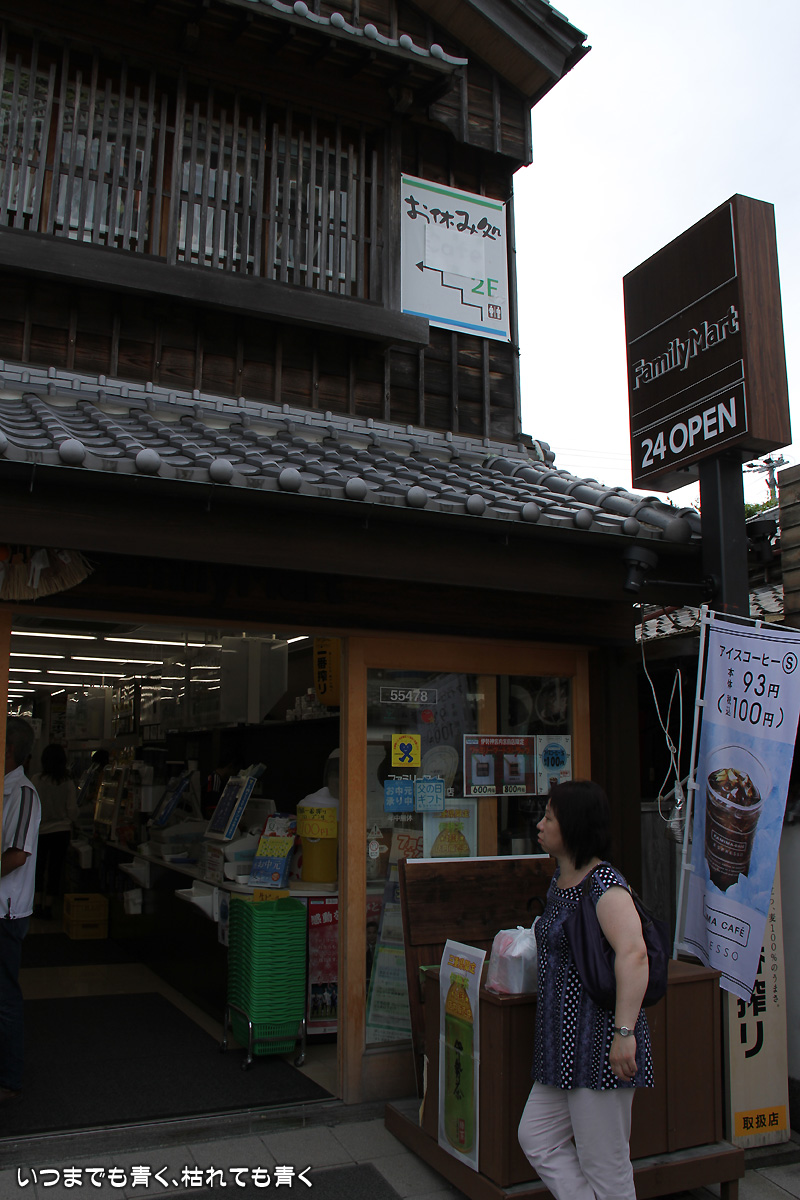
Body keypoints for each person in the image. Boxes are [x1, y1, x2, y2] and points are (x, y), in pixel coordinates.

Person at [517, 780, 653, 1200]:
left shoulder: (604, 884)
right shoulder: (561, 879)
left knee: (605, 1167)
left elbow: (634, 954)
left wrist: (624, 1034)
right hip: (562, 1050)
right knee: (536, 1136)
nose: (540, 825)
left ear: (573, 826)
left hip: (599, 1046)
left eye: (549, 818)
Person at [1, 716, 41, 1101]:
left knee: (5, 998)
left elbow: (16, 855)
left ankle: (9, 1079)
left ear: (9, 750)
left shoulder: (24, 793)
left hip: (7, 912)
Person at [32, 743, 78, 919]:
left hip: (40, 832)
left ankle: (37, 904)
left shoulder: (36, 780)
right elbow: (72, 810)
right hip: (61, 832)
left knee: (38, 868)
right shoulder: (68, 783)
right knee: (55, 869)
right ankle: (48, 906)